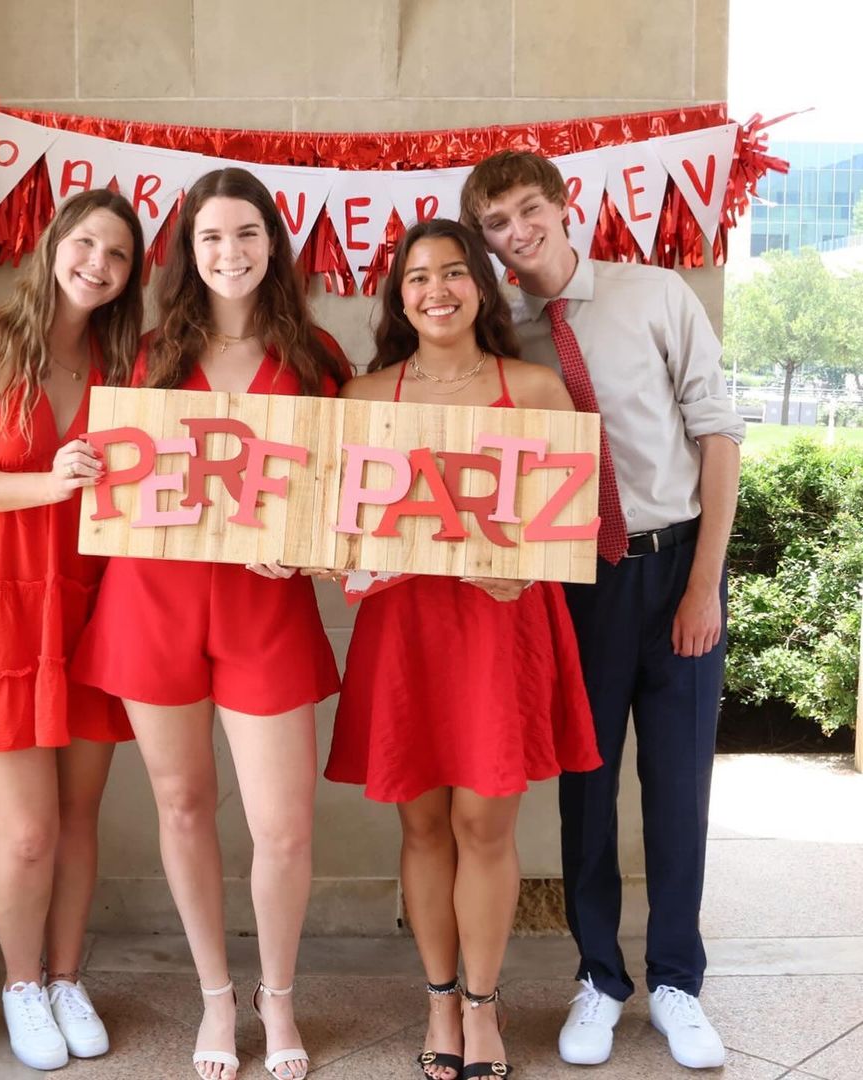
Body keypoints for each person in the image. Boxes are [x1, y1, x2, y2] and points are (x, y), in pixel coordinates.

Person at [460, 151, 745, 1071]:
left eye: (528, 209)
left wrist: (703, 585)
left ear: (563, 203)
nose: (517, 232)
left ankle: (677, 983)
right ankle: (600, 978)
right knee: (584, 786)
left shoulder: (654, 293)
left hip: (678, 568)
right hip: (579, 582)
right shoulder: (501, 335)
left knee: (678, 788)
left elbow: (718, 437)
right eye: (496, 223)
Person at [71, 167, 349, 1080]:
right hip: (153, 603)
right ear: (188, 253)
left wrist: (306, 550)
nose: (230, 252)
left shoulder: (317, 357)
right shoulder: (142, 353)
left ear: (273, 242)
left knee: (285, 828)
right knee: (183, 805)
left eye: (246, 233)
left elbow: (343, 498)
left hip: (265, 610)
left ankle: (279, 996)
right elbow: (105, 462)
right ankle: (216, 997)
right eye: (211, 237)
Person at [324, 218, 602, 1080]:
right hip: (404, 629)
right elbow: (337, 527)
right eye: (417, 277)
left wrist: (528, 567)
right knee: (421, 820)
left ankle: (483, 1004)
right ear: (398, 297)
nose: (435, 290)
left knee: (484, 822)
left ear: (482, 287)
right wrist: (324, 554)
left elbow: (577, 518)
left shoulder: (537, 389)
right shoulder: (364, 397)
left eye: (453, 272)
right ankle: (440, 998)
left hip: (500, 628)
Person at [0, 189, 145, 1069]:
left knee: (79, 818)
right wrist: (51, 483)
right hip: (1, 612)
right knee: (28, 832)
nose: (98, 263)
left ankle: (66, 978)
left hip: (92, 608)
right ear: (52, 245)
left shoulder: (122, 361)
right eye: (86, 243)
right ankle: (21, 985)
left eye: (118, 254)